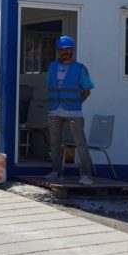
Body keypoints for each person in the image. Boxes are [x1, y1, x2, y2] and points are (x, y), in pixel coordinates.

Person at [44, 36, 95, 185]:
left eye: (67, 49)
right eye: (61, 49)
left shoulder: (80, 68)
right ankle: (56, 172)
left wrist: (75, 103)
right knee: (54, 143)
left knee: (80, 143)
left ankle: (86, 175)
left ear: (72, 50)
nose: (64, 52)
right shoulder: (52, 67)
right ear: (58, 51)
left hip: (73, 112)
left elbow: (87, 91)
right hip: (54, 111)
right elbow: (50, 85)